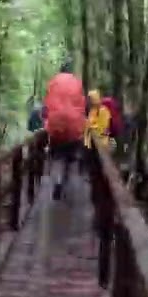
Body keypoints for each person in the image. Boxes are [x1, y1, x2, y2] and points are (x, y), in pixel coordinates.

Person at [43, 62, 87, 200]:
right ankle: (65, 179)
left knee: (58, 157)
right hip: (74, 128)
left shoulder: (53, 82)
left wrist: (47, 121)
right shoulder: (77, 82)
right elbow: (82, 105)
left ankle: (58, 181)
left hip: (56, 126)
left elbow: (47, 104)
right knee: (70, 156)